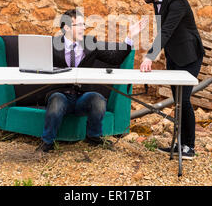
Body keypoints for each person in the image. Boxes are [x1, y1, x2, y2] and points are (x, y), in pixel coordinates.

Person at [36, 9, 146, 152]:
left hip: (83, 96)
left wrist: (130, 36)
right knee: (57, 101)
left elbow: (115, 58)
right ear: (66, 28)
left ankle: (93, 137)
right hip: (60, 94)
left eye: (84, 25)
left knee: (98, 99)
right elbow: (36, 66)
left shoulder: (90, 43)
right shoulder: (51, 45)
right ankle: (47, 142)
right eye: (79, 25)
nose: (83, 28)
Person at [135, 0, 204, 160]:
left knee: (184, 100)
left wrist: (150, 56)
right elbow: (163, 32)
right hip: (174, 56)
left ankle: (189, 147)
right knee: (177, 100)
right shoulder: (156, 1)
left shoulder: (176, 1)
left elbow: (166, 31)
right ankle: (179, 143)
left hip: (190, 56)